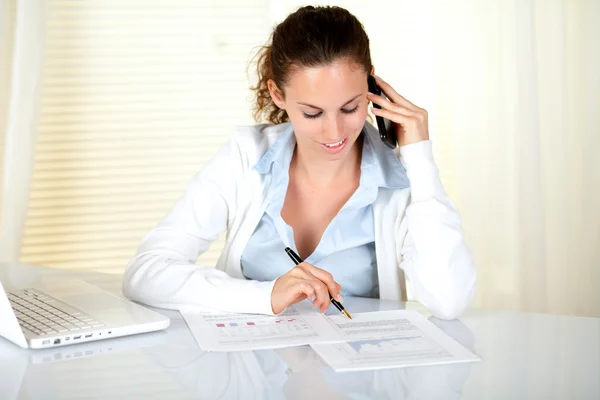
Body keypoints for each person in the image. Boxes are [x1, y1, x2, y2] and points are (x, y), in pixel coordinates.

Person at [122, 5, 476, 320]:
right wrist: (267, 295)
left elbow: (449, 301)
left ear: (370, 83)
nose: (335, 130)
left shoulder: (401, 177)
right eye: (312, 112)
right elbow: (146, 273)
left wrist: (420, 156)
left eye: (351, 107)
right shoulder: (245, 155)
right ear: (279, 94)